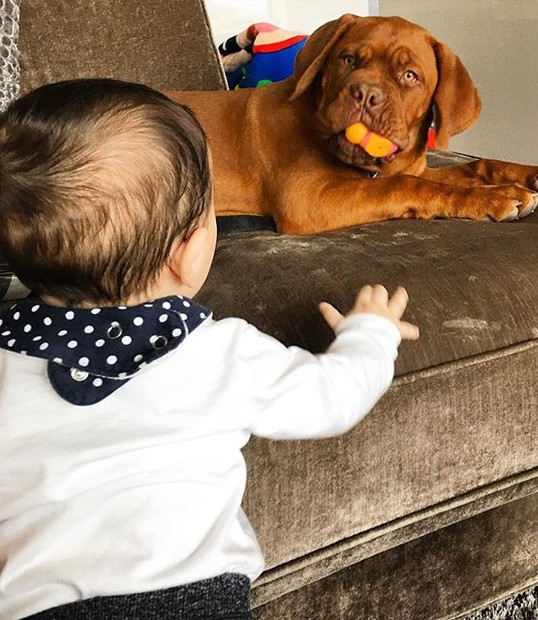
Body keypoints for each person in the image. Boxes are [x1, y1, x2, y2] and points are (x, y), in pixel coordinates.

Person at [0, 78, 420, 620]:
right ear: (188, 252)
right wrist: (371, 333)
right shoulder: (219, 353)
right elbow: (332, 398)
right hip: (192, 602)